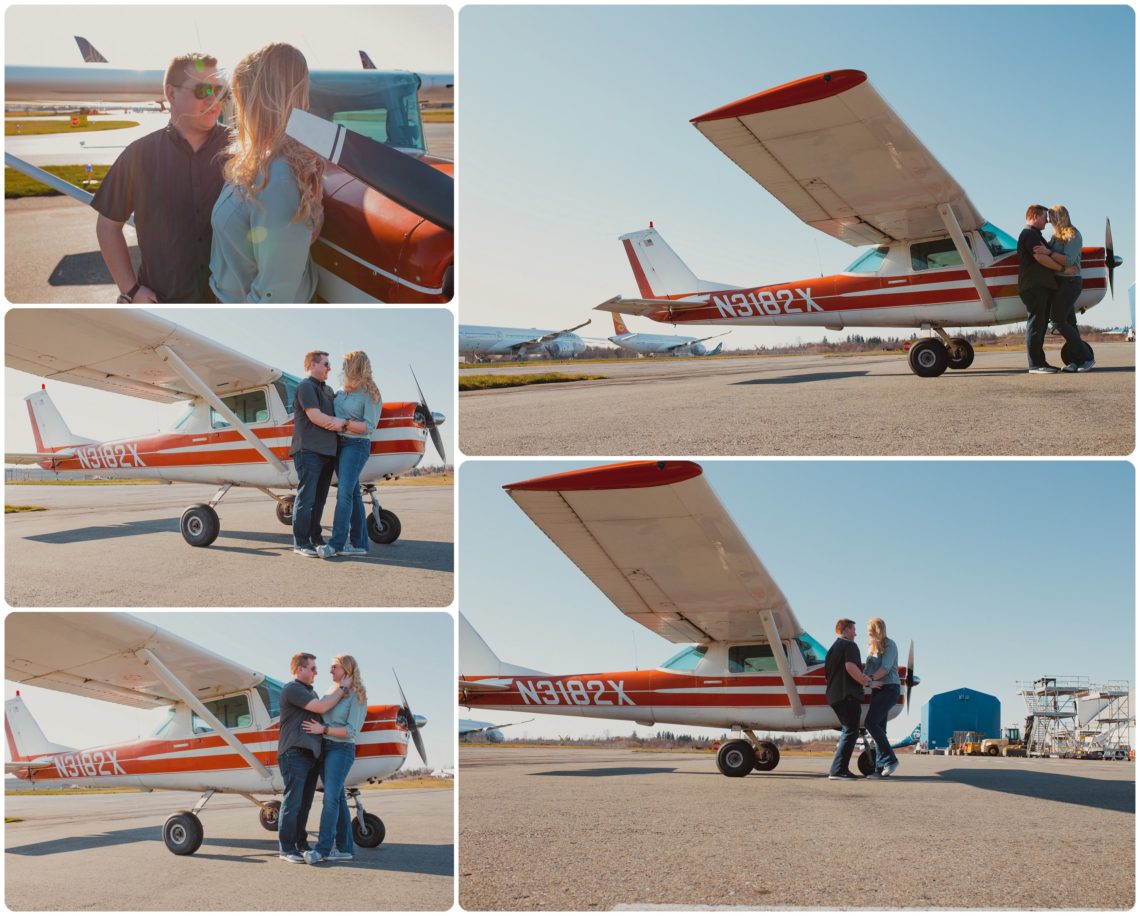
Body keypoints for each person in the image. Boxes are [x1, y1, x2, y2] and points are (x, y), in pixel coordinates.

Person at [92, 53, 229, 303]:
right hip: (165, 302)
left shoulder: (242, 151)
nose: (213, 99)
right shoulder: (138, 155)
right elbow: (108, 227)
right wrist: (131, 290)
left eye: (219, 90)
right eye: (202, 90)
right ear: (171, 93)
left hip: (228, 305)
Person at [209, 43, 325, 303]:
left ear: (258, 101)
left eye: (241, 99)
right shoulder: (262, 162)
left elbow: (276, 291)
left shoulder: (279, 177)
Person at [277, 652, 355, 863]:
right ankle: (286, 848)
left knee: (305, 804)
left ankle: (301, 844)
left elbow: (325, 709)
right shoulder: (292, 689)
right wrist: (344, 688)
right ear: (299, 669)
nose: (316, 672)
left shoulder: (310, 692)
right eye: (312, 668)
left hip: (310, 756)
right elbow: (322, 707)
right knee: (293, 802)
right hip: (294, 753)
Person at [291, 351, 366, 557]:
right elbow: (315, 417)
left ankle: (315, 538)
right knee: (306, 498)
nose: (329, 368)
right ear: (312, 365)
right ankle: (300, 543)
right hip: (308, 451)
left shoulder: (329, 390)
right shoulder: (305, 386)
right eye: (325, 364)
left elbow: (343, 409)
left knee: (320, 499)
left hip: (327, 453)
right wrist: (343, 426)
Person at [301, 654, 368, 864]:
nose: (330, 671)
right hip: (325, 749)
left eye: (334, 667)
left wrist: (325, 729)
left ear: (346, 670)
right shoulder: (333, 691)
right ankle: (345, 848)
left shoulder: (358, 696)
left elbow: (351, 731)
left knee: (330, 798)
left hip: (341, 750)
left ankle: (322, 849)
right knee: (337, 798)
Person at [318, 352, 383, 560]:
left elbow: (369, 427)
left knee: (344, 493)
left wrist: (344, 423)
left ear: (355, 366)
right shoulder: (340, 392)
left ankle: (336, 544)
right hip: (339, 445)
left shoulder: (370, 393)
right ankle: (360, 543)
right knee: (353, 495)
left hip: (357, 445)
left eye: (346, 364)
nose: (342, 367)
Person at [1039, 205, 1095, 372]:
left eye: (1052, 217)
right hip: (1060, 283)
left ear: (1061, 216)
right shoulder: (1055, 238)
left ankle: (1087, 358)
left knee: (1057, 319)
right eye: (1048, 218)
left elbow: (1069, 260)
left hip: (1071, 283)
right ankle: (1075, 361)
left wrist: (1048, 253)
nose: (1049, 221)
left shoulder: (1073, 234)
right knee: (1069, 322)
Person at [1017, 204, 1066, 373]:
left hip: (1041, 286)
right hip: (1034, 287)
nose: (1047, 221)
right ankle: (1035, 365)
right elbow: (1039, 257)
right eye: (1045, 217)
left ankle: (1041, 362)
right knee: (1036, 324)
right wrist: (1061, 269)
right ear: (1035, 216)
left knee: (1041, 324)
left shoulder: (1036, 235)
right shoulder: (1029, 234)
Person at [824, 618, 871, 780]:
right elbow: (850, 667)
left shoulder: (831, 650)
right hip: (848, 695)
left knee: (848, 730)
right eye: (853, 630)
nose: (856, 634)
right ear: (845, 630)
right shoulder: (850, 645)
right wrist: (865, 680)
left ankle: (839, 769)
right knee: (851, 730)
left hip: (834, 696)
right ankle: (838, 771)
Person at [863, 617, 901, 778]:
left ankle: (891, 760)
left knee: (869, 723)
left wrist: (870, 679)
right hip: (877, 690)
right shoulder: (871, 649)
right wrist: (865, 681)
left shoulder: (890, 645)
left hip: (890, 689)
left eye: (870, 629)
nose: (868, 633)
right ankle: (879, 769)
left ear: (878, 629)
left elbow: (885, 668)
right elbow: (867, 671)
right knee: (880, 729)